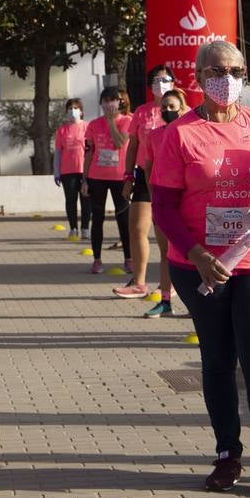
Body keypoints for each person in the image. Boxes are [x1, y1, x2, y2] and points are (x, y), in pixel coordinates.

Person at [151, 40, 250, 498]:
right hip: (200, 265)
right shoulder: (180, 134)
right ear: (197, 78)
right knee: (217, 361)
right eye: (217, 70)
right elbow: (163, 207)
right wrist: (198, 255)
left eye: (236, 70)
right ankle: (226, 453)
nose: (229, 78)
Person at [117, 65, 177, 300]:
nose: (160, 84)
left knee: (166, 236)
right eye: (156, 80)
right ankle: (139, 282)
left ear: (173, 82)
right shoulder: (141, 112)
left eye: (165, 79)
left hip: (170, 176)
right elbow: (132, 146)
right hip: (143, 174)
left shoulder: (183, 110)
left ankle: (168, 284)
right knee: (138, 228)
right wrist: (128, 176)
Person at [140, 88, 187, 318]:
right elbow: (149, 166)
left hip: (188, 202)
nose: (168, 111)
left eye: (172, 107)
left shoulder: (190, 132)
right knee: (166, 253)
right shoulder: (154, 136)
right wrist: (153, 193)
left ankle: (197, 303)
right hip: (163, 202)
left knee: (192, 252)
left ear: (182, 108)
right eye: (164, 107)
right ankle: (165, 301)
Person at [82, 87, 133, 275]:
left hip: (119, 177)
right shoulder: (93, 124)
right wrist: (84, 179)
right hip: (97, 177)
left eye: (113, 100)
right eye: (105, 100)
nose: (109, 104)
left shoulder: (128, 121)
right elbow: (89, 153)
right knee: (97, 219)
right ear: (101, 103)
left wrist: (112, 122)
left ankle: (129, 259)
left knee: (123, 219)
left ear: (120, 102)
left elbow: (120, 142)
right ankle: (97, 260)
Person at [53, 97, 90, 241]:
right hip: (67, 172)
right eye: (70, 109)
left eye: (75, 108)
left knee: (86, 200)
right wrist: (56, 171)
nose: (72, 111)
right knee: (70, 200)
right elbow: (58, 152)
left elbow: (92, 149)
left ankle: (85, 228)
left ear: (81, 111)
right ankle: (73, 228)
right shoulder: (62, 131)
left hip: (84, 170)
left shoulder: (87, 127)